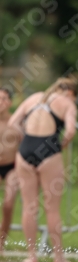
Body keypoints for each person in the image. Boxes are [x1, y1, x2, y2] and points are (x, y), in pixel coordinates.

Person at [8, 77, 78, 262]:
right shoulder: (67, 104)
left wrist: (26, 137)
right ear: (70, 93)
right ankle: (58, 257)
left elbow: (13, 122)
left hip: (26, 150)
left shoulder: (34, 98)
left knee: (29, 206)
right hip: (49, 150)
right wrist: (61, 144)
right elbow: (71, 131)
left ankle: (32, 256)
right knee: (52, 207)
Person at [0, 88, 21, 252]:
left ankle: (1, 242)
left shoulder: (16, 122)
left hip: (12, 167)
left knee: (8, 204)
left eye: (3, 99)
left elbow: (25, 146)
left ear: (9, 102)